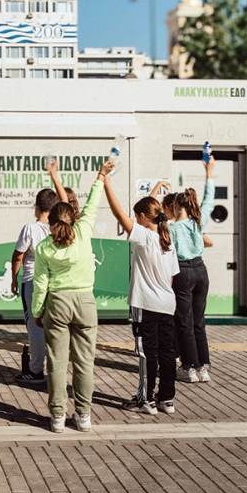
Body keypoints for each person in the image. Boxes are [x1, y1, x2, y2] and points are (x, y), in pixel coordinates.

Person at [32, 157, 111, 433]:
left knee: (56, 361)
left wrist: (38, 311)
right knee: (84, 362)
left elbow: (41, 283)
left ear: (50, 222)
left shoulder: (44, 247)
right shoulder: (84, 231)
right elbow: (92, 204)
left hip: (57, 303)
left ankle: (57, 417)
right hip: (85, 302)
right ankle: (84, 415)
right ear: (73, 218)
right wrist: (100, 176)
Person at [103, 174, 180, 415]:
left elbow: (119, 216)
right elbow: (171, 277)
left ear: (144, 218)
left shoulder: (145, 237)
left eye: (138, 217)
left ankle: (144, 400)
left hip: (146, 304)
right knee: (167, 351)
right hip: (167, 303)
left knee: (148, 352)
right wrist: (155, 189)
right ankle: (166, 399)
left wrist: (106, 184)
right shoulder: (168, 240)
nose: (135, 220)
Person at [156, 157, 216, 384]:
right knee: (198, 320)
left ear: (174, 207)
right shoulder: (198, 222)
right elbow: (209, 200)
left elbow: (149, 214)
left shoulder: (170, 227)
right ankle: (204, 367)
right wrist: (209, 174)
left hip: (182, 272)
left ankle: (190, 367)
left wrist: (154, 191)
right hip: (202, 270)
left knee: (184, 321)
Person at [9, 188, 59, 384]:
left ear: (37, 207)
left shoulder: (30, 228)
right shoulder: (60, 228)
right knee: (55, 327)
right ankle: (56, 370)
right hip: (55, 284)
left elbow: (18, 255)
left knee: (35, 326)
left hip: (32, 281)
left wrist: (14, 278)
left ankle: (36, 370)